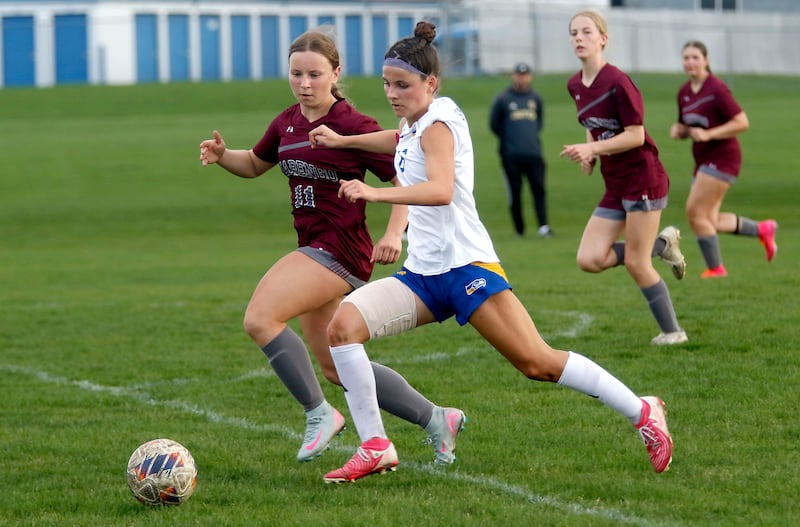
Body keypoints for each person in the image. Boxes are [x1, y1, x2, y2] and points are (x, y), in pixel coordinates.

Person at [308, 21, 674, 484]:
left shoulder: (438, 124)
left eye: (402, 85)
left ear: (430, 83)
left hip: (466, 269)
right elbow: (398, 140)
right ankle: (376, 446)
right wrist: (344, 141)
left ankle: (643, 410)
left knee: (536, 362)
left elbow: (441, 190)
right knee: (343, 329)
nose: (392, 94)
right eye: (386, 84)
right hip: (423, 275)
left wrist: (373, 194)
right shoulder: (415, 120)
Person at [198, 28, 465, 466]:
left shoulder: (352, 126)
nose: (305, 83)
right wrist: (224, 154)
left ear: (335, 73)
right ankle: (436, 417)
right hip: (314, 249)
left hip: (340, 250)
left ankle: (319, 413)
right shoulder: (286, 122)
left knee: (260, 317)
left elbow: (406, 178)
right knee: (335, 366)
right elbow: (254, 163)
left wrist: (395, 232)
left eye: (314, 74)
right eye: (296, 74)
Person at [559, 10, 688, 346]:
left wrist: (593, 151)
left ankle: (674, 332)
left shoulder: (618, 82)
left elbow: (635, 135)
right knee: (589, 259)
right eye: (573, 33)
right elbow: (592, 127)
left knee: (635, 261)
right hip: (615, 183)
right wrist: (589, 153)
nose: (579, 38)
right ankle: (664, 244)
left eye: (586, 32)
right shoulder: (575, 84)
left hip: (643, 179)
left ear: (603, 38)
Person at [669, 40, 778, 278]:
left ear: (706, 60)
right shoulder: (684, 93)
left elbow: (742, 122)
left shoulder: (716, 88)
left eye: (695, 57)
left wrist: (709, 134)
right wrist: (680, 131)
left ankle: (716, 269)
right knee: (710, 220)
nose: (690, 62)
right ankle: (762, 229)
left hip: (723, 158)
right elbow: (688, 124)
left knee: (695, 213)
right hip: (702, 160)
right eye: (686, 58)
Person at [489, 62, 552, 238]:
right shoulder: (503, 99)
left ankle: (543, 226)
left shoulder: (535, 98)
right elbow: (494, 125)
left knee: (539, 189)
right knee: (515, 192)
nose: (522, 78)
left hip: (534, 153)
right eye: (518, 74)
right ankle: (519, 229)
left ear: (530, 77)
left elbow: (539, 122)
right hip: (511, 155)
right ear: (513, 76)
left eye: (525, 75)